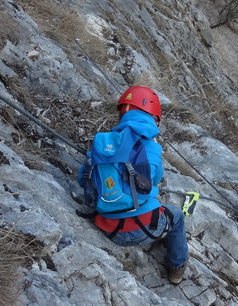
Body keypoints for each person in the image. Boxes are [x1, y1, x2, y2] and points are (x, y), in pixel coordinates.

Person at [80, 85, 189, 285]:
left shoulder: (102, 142)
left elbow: (84, 179)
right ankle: (177, 269)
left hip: (107, 226)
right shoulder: (152, 148)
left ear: (123, 113)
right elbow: (151, 183)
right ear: (154, 118)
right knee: (178, 217)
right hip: (143, 229)